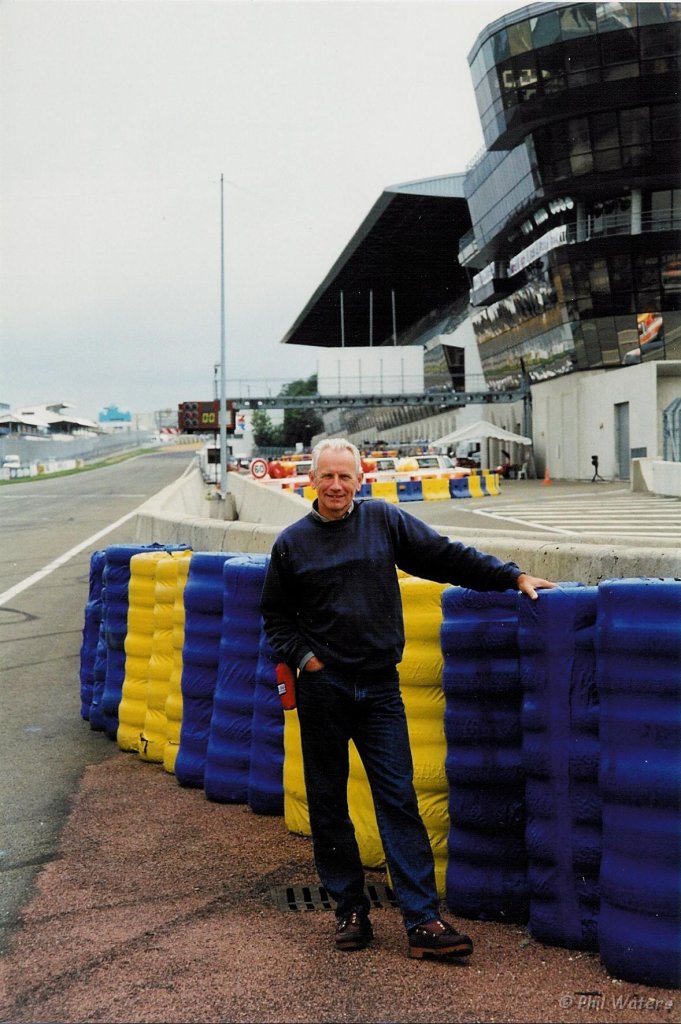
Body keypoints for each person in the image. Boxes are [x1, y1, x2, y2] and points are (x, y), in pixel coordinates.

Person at [260, 438, 556, 961]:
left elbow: (444, 557)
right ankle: (350, 910)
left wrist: (510, 576)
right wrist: (307, 659)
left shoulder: (384, 523)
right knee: (328, 804)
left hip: (379, 688)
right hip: (322, 689)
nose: (335, 486)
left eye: (344, 477)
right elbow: (276, 621)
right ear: (311, 480)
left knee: (397, 798)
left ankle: (422, 920)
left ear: (360, 479)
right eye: (326, 476)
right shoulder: (291, 545)